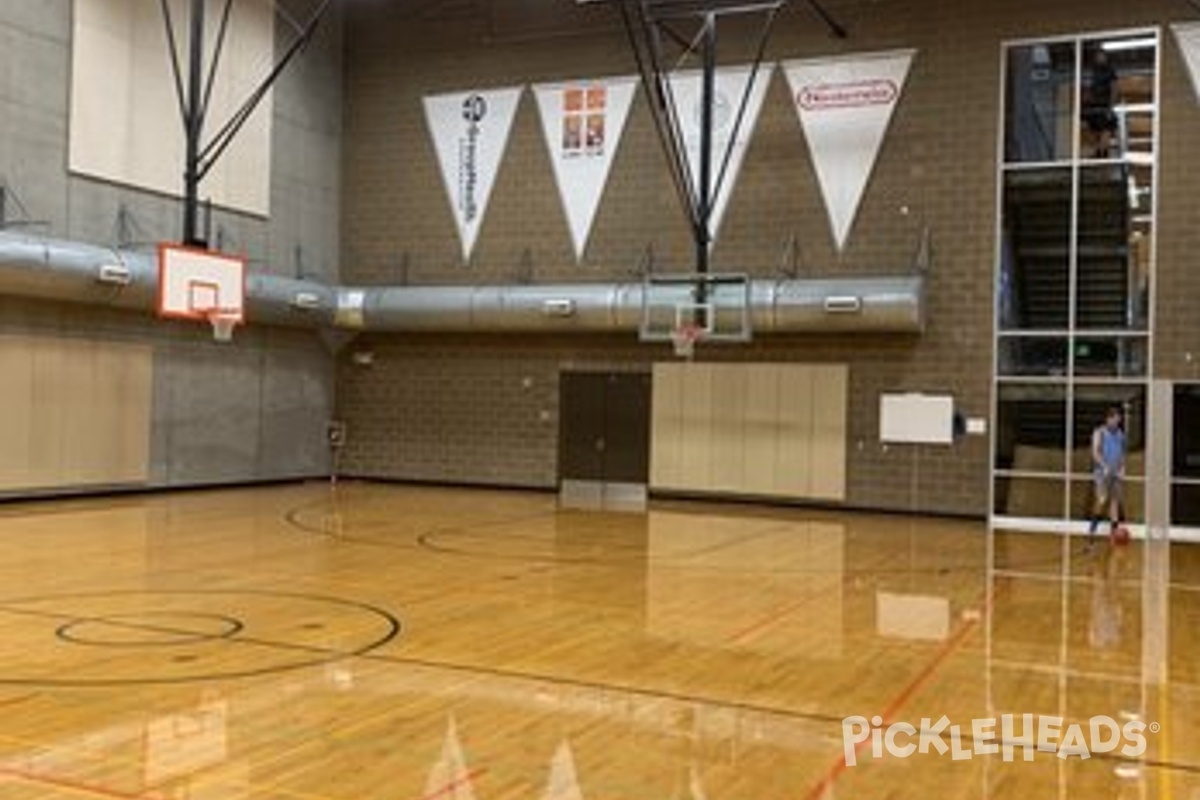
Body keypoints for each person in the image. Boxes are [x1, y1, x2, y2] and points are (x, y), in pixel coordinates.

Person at [1088, 406, 1126, 545]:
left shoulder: (1120, 434)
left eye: (1118, 420)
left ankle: (1113, 534)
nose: (1117, 422)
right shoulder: (1099, 432)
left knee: (1115, 502)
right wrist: (1104, 466)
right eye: (1114, 419)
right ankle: (1092, 532)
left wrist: (1122, 468)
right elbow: (1095, 452)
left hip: (1115, 473)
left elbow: (1121, 453)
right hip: (1102, 473)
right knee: (1102, 500)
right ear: (1108, 419)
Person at [1082, 49, 1119, 158]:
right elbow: (1090, 88)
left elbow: (1114, 88)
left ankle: (1102, 151)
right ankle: (1099, 150)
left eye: (1101, 56)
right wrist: (1086, 101)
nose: (1098, 58)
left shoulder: (1109, 71)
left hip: (1104, 104)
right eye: (1097, 56)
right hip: (1094, 104)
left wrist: (1111, 105)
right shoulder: (1094, 72)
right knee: (1094, 127)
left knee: (1106, 126)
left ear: (1105, 57)